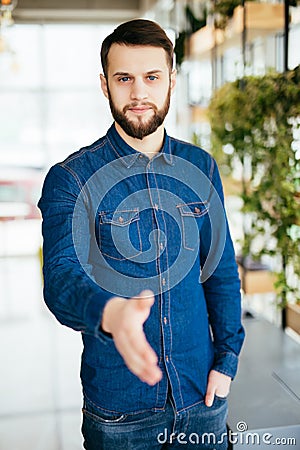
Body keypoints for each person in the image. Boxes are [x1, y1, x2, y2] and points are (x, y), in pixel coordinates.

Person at [38, 19, 245, 450]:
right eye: (124, 78)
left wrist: (227, 361)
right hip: (120, 414)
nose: (138, 94)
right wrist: (108, 314)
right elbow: (60, 279)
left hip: (202, 401)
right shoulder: (71, 179)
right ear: (104, 84)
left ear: (171, 79)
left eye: (151, 77)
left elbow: (220, 272)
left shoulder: (201, 166)